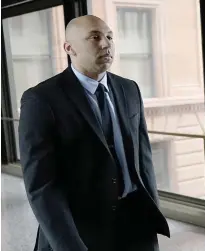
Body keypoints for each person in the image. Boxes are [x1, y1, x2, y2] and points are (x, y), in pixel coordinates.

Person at [18, 15, 169, 251]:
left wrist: (150, 216)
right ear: (70, 48)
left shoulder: (129, 88)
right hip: (79, 232)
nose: (106, 44)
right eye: (95, 37)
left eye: (109, 36)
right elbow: (41, 186)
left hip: (136, 225)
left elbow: (144, 159)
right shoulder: (42, 99)